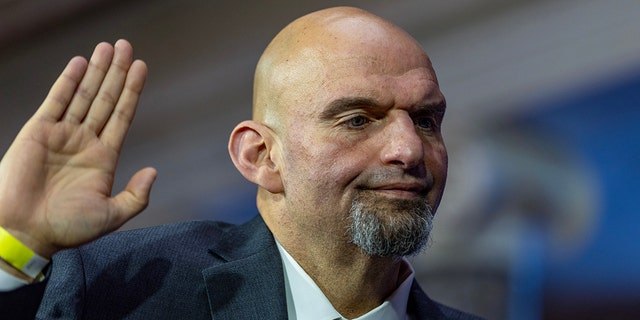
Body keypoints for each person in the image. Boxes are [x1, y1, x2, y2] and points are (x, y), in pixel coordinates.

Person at [0, 6, 482, 320]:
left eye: (425, 121)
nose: (409, 150)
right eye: (358, 120)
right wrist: (14, 246)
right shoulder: (123, 294)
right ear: (260, 157)